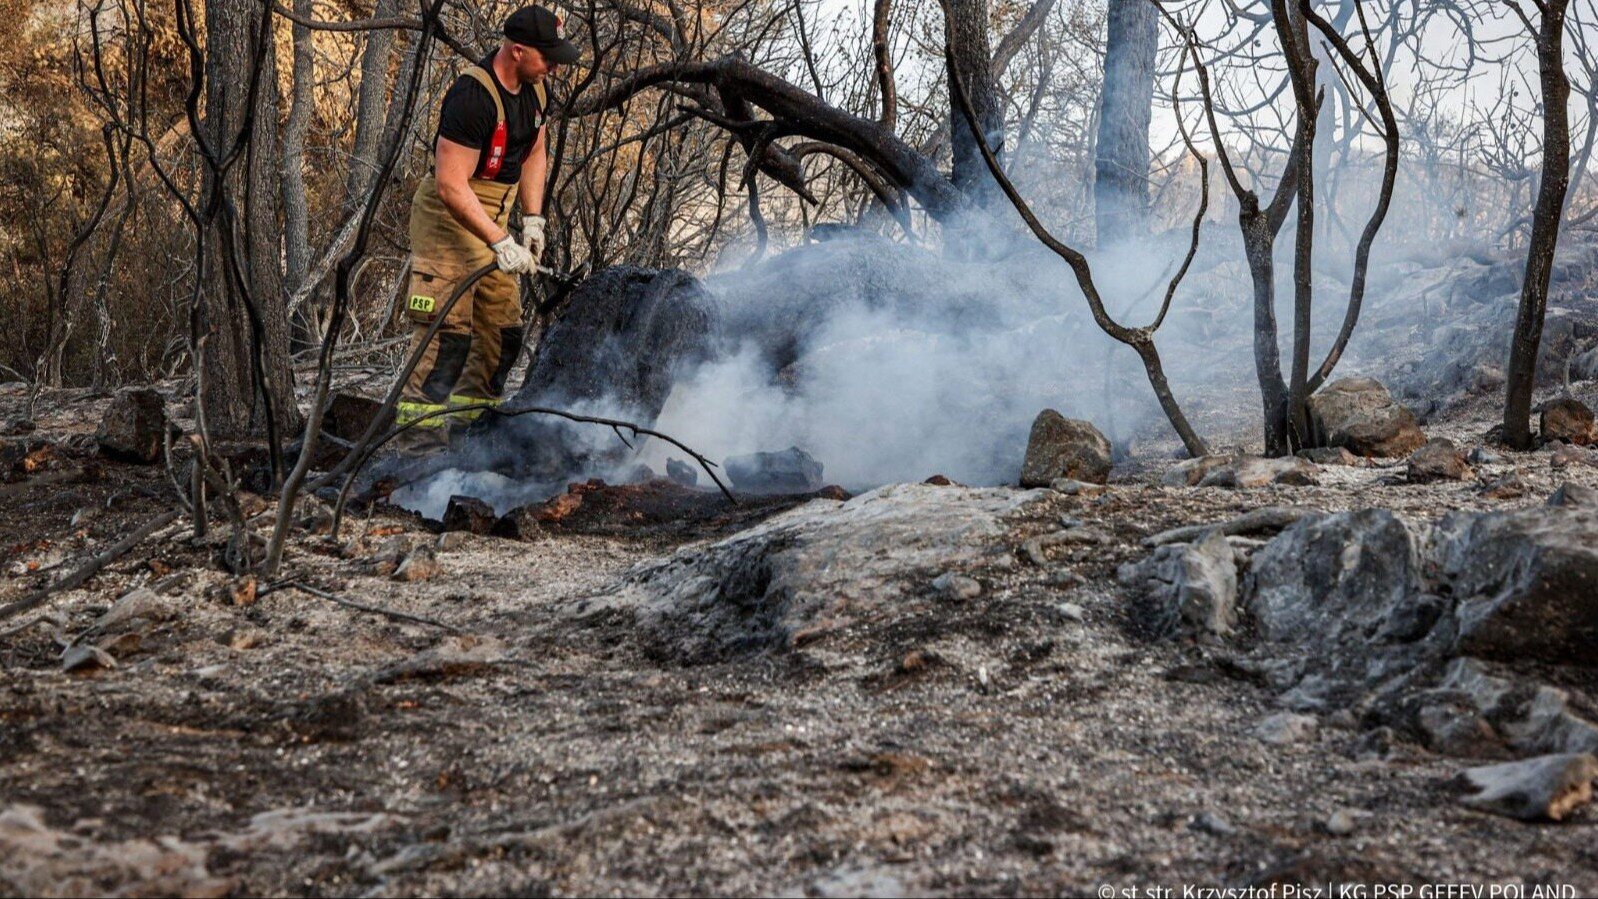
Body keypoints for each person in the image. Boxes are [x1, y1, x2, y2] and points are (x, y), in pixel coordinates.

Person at [395, 4, 580, 448]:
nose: (554, 66)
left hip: (495, 217)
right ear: (517, 51)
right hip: (449, 219)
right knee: (447, 340)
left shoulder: (536, 91)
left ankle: (471, 434)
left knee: (503, 335)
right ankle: (418, 449)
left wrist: (532, 219)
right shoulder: (472, 97)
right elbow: (450, 186)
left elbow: (535, 149)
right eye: (547, 56)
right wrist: (499, 241)